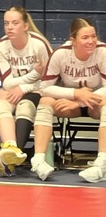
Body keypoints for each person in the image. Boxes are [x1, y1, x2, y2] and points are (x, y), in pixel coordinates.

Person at [31, 17, 106, 183]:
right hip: (70, 104)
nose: (91, 41)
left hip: (95, 104)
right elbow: (44, 88)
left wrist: (79, 100)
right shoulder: (60, 54)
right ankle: (38, 160)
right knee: (45, 102)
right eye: (85, 37)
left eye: (94, 36)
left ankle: (102, 163)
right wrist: (75, 94)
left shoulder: (103, 52)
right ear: (73, 40)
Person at [0, 6, 52, 176]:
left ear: (25, 26)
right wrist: (33, 73)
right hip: (16, 88)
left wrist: (23, 88)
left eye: (15, 23)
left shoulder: (39, 44)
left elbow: (49, 81)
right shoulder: (2, 45)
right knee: (1, 101)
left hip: (38, 89)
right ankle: (10, 146)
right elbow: (7, 82)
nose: (9, 27)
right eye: (6, 23)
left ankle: (7, 158)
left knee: (25, 106)